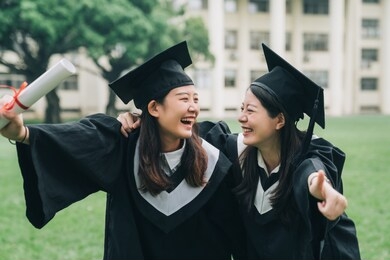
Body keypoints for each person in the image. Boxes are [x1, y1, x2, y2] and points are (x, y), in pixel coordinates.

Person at [0, 41, 246, 260]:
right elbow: (79, 138)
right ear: (154, 108)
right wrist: (23, 134)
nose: (193, 107)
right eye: (184, 99)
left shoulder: (213, 145)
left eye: (196, 99)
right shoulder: (123, 145)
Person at [118, 43, 361, 259]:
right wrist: (141, 117)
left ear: (279, 120)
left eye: (251, 111)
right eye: (242, 107)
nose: (241, 117)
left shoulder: (310, 155)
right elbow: (189, 129)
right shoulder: (236, 150)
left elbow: (311, 170)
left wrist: (322, 189)